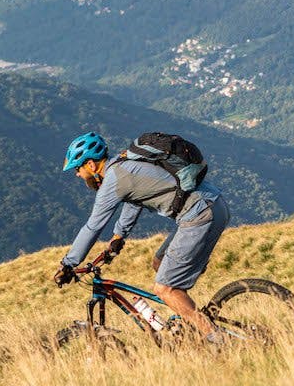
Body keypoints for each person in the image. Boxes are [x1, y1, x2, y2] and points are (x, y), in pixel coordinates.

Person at [53, 132, 230, 344]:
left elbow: (93, 226)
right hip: (213, 205)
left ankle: (216, 339)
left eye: (78, 168)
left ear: (91, 165)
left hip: (199, 214)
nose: (77, 175)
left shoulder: (113, 180)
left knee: (165, 289)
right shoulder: (123, 164)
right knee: (159, 262)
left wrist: (68, 264)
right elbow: (133, 200)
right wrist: (119, 236)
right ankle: (188, 317)